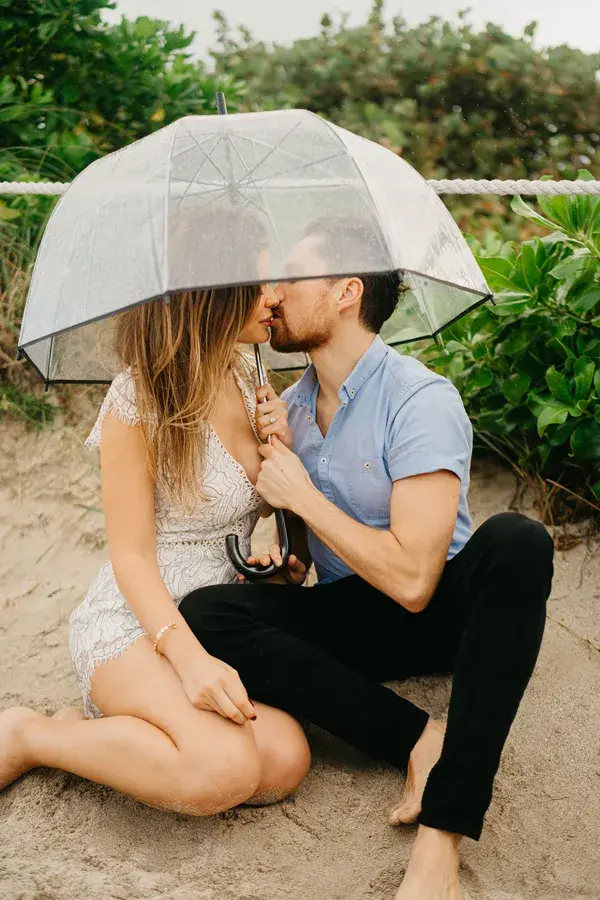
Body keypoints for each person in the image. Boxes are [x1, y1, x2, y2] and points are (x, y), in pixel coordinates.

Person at [177, 217, 555, 900]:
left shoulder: (418, 398)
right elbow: (310, 559)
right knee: (207, 610)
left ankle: (444, 830)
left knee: (520, 541)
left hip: (445, 608)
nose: (273, 293)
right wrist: (288, 554)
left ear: (347, 292)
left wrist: (306, 498)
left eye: (293, 277)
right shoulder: (288, 409)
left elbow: (414, 580)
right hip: (360, 616)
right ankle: (416, 738)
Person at [0, 208, 311, 815]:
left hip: (218, 615)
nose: (274, 296)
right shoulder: (137, 399)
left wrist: (276, 551)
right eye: (262, 281)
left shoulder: (250, 377)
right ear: (216, 293)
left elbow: (263, 513)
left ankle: (121, 734)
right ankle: (33, 735)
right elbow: (131, 556)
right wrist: (189, 662)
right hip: (139, 623)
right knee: (223, 769)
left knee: (283, 760)